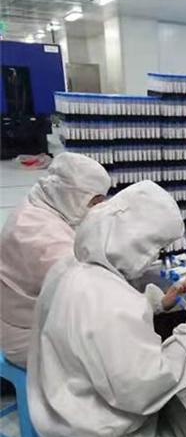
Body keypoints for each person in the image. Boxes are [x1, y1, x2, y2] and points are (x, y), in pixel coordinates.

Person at [27, 180, 186, 437]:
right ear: (135, 240)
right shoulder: (111, 303)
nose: (155, 256)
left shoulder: (69, 267)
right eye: (155, 247)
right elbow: (146, 388)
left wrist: (159, 303)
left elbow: (92, 326)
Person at [0, 152, 111, 368]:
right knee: (113, 356)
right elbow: (89, 295)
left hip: (25, 318)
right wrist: (151, 303)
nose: (97, 207)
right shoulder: (42, 237)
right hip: (28, 338)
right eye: (94, 201)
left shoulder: (42, 202)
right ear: (72, 194)